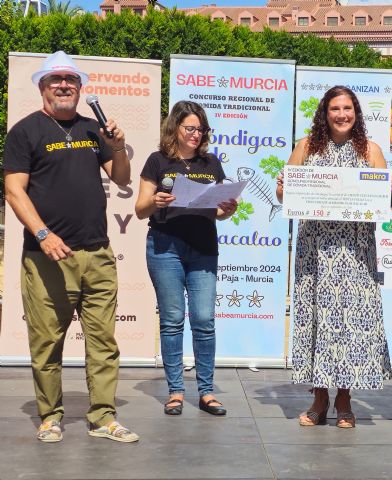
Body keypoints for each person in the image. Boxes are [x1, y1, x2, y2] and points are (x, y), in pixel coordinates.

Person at [3, 51, 138, 442]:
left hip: (97, 254)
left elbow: (122, 178)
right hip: (46, 258)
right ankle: (50, 416)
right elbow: (14, 191)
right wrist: (43, 234)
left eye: (71, 80)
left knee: (103, 343)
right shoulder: (24, 132)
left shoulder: (93, 129)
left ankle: (103, 418)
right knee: (47, 342)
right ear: (42, 87)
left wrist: (117, 146)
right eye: (56, 79)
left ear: (80, 88)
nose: (64, 85)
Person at [276, 86, 392, 428]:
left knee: (350, 323)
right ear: (324, 114)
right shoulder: (306, 147)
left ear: (356, 112)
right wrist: (284, 186)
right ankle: (319, 397)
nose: (342, 114)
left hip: (356, 252)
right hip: (315, 250)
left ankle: (344, 398)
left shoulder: (371, 150)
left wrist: (387, 188)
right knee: (318, 319)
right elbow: (284, 196)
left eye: (347, 108)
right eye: (335, 109)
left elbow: (383, 202)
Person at [135, 100, 237, 417]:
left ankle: (207, 392)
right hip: (165, 246)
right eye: (190, 128)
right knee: (172, 320)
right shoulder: (157, 161)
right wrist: (155, 201)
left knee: (204, 320)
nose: (196, 134)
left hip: (203, 248)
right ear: (175, 128)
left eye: (201, 129)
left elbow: (217, 212)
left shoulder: (211, 163)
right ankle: (176, 392)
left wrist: (227, 210)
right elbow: (140, 210)